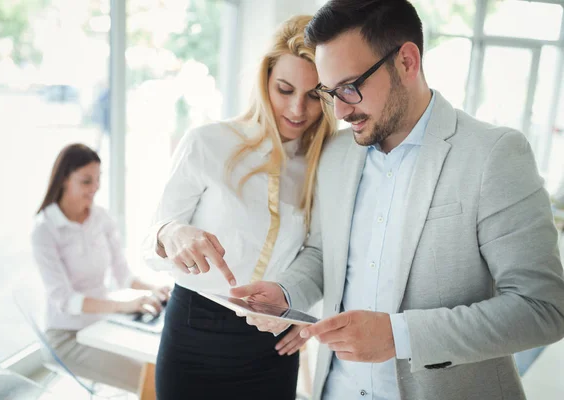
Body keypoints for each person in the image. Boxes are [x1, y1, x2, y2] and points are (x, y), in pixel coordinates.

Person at [230, 1, 564, 399]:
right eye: (330, 91)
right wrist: (286, 292)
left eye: (350, 88)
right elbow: (324, 253)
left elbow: (543, 308)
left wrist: (399, 336)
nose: (339, 110)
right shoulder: (336, 154)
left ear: (406, 61)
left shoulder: (493, 153)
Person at [143, 15, 335, 400]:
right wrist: (171, 232)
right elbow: (151, 241)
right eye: (285, 89)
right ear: (265, 81)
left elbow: (320, 254)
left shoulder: (326, 163)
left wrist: (297, 304)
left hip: (272, 344)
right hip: (193, 332)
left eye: (314, 95)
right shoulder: (207, 143)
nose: (298, 109)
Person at [31, 143, 170, 393]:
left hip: (103, 324)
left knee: (164, 362)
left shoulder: (101, 218)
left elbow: (122, 276)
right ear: (63, 179)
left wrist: (154, 288)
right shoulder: (45, 229)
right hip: (67, 337)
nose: (95, 188)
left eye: (98, 180)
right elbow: (66, 300)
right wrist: (124, 306)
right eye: (86, 181)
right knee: (154, 378)